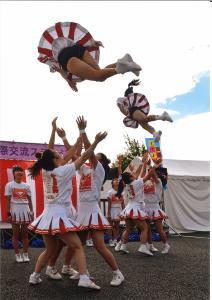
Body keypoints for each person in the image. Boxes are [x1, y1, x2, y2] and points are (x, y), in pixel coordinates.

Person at [27, 120, 107, 289]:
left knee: (49, 249)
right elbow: (84, 156)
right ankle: (84, 277)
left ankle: (34, 276)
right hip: (59, 214)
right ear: (55, 160)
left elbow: (53, 153)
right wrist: (96, 142)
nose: (62, 155)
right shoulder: (62, 171)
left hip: (48, 214)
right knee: (77, 246)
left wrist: (56, 132)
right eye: (58, 155)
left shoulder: (46, 170)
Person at [66, 116, 124, 287]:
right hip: (82, 212)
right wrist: (65, 137)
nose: (92, 156)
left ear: (100, 161)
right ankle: (73, 269)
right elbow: (75, 153)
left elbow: (89, 153)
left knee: (99, 246)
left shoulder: (99, 170)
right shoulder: (84, 168)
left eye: (96, 156)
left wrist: (85, 133)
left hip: (92, 211)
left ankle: (117, 273)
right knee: (77, 244)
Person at [38, 22, 141, 92]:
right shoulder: (62, 47)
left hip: (66, 59)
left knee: (99, 77)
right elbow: (76, 38)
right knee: (100, 72)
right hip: (78, 49)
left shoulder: (57, 61)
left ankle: (124, 68)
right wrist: (92, 43)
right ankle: (124, 60)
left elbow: (60, 70)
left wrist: (69, 81)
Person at [114, 157, 156, 256]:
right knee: (145, 228)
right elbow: (148, 175)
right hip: (136, 207)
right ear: (131, 178)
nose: (133, 174)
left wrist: (143, 164)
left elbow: (138, 174)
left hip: (130, 207)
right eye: (131, 175)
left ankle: (123, 245)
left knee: (128, 229)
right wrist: (154, 165)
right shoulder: (136, 183)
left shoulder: (129, 184)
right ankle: (143, 246)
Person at [5, 166, 34, 263]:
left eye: (21, 171)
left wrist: (32, 212)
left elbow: (29, 200)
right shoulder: (9, 185)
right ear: (14, 174)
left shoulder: (26, 186)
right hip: (15, 210)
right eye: (17, 171)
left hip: (25, 210)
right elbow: (8, 201)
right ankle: (17, 255)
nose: (20, 173)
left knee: (25, 234)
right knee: (16, 234)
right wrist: (8, 213)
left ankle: (25, 254)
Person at [143, 163, 170, 254]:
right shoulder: (146, 182)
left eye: (151, 173)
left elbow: (153, 174)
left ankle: (166, 245)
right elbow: (143, 176)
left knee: (159, 229)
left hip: (155, 207)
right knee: (146, 229)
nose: (150, 174)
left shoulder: (158, 181)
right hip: (146, 207)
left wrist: (154, 167)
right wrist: (144, 164)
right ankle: (150, 245)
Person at [107, 178, 125, 247]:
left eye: (117, 180)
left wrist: (124, 212)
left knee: (117, 226)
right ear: (112, 183)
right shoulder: (110, 192)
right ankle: (110, 240)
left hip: (118, 210)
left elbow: (122, 203)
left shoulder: (121, 192)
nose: (117, 181)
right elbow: (109, 203)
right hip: (112, 209)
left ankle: (115, 240)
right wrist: (108, 213)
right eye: (115, 180)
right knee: (110, 226)